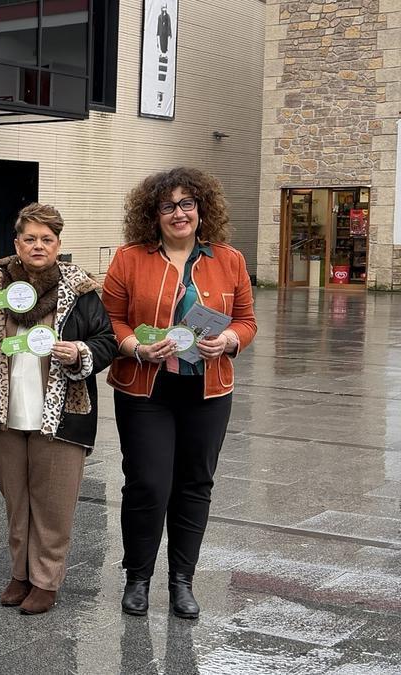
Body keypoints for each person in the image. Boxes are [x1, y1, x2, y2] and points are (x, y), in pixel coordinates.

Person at [101, 167, 256, 619]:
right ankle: (138, 578)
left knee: (195, 484)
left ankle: (182, 581)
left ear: (201, 210)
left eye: (187, 203)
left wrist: (229, 341)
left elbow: (246, 320)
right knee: (148, 483)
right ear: (154, 214)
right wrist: (134, 346)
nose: (179, 213)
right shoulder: (130, 258)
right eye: (168, 205)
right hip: (145, 389)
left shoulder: (230, 259)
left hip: (207, 391)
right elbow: (109, 319)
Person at [0, 203, 116, 615]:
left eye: (47, 239)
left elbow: (106, 341)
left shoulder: (80, 290)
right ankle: (20, 574)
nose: (38, 245)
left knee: (54, 502)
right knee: (17, 500)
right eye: (30, 238)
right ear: (17, 242)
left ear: (58, 244)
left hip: (61, 412)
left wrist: (79, 351)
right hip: (2, 412)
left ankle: (46, 579)